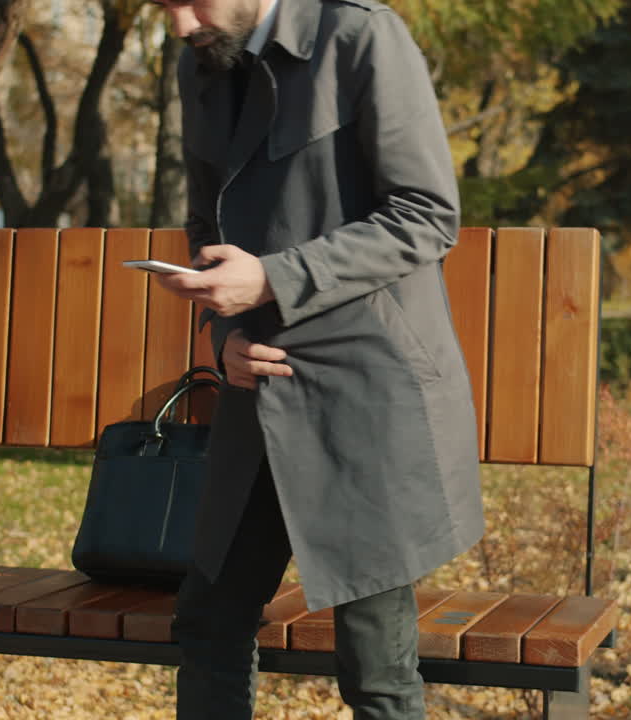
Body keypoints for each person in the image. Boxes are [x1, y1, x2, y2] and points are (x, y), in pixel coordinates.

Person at [148, 0, 484, 716]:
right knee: (207, 624)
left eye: (190, 0)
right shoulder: (201, 59)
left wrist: (273, 279)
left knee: (375, 666)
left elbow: (426, 215)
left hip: (367, 396)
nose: (179, 24)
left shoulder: (360, 35)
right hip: (257, 392)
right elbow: (205, 225)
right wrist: (223, 337)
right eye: (163, 6)